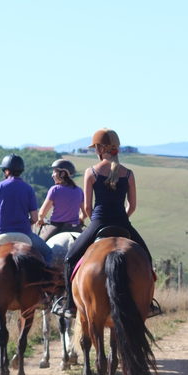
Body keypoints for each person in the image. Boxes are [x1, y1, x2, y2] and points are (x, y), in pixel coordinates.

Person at [59, 128, 156, 318]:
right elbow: (132, 205)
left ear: (100, 148)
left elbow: (87, 207)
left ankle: (70, 305)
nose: (95, 149)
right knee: (146, 259)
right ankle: (149, 304)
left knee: (70, 259)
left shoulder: (91, 172)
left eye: (95, 146)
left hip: (98, 222)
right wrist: (123, 218)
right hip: (122, 221)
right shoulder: (128, 174)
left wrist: (94, 219)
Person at [0, 153, 53, 309]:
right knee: (48, 253)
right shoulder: (28, 189)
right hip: (24, 234)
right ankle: (44, 291)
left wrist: (1, 215)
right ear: (20, 170)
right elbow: (35, 218)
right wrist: (23, 220)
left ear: (6, 171)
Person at [36, 159, 87, 241]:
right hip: (75, 228)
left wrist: (40, 220)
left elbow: (42, 213)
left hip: (56, 227)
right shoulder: (79, 190)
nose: (52, 175)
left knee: (39, 248)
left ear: (63, 173)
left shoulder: (54, 189)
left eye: (54, 172)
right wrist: (80, 220)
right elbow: (85, 213)